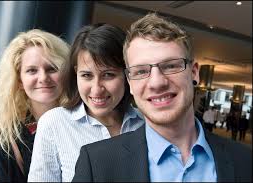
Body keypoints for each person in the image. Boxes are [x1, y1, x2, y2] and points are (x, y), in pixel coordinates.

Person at [72, 13, 252, 182]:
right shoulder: (97, 164)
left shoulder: (244, 161)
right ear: (130, 82)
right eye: (141, 71)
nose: (157, 82)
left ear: (194, 73)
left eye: (171, 66)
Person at [27, 23, 144, 182]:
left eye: (108, 75)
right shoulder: (54, 123)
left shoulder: (146, 123)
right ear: (76, 73)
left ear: (127, 74)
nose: (96, 89)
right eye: (87, 76)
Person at [0, 29, 70, 182]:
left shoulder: (87, 121)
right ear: (19, 81)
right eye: (32, 70)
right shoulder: (9, 139)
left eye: (52, 68)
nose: (43, 78)